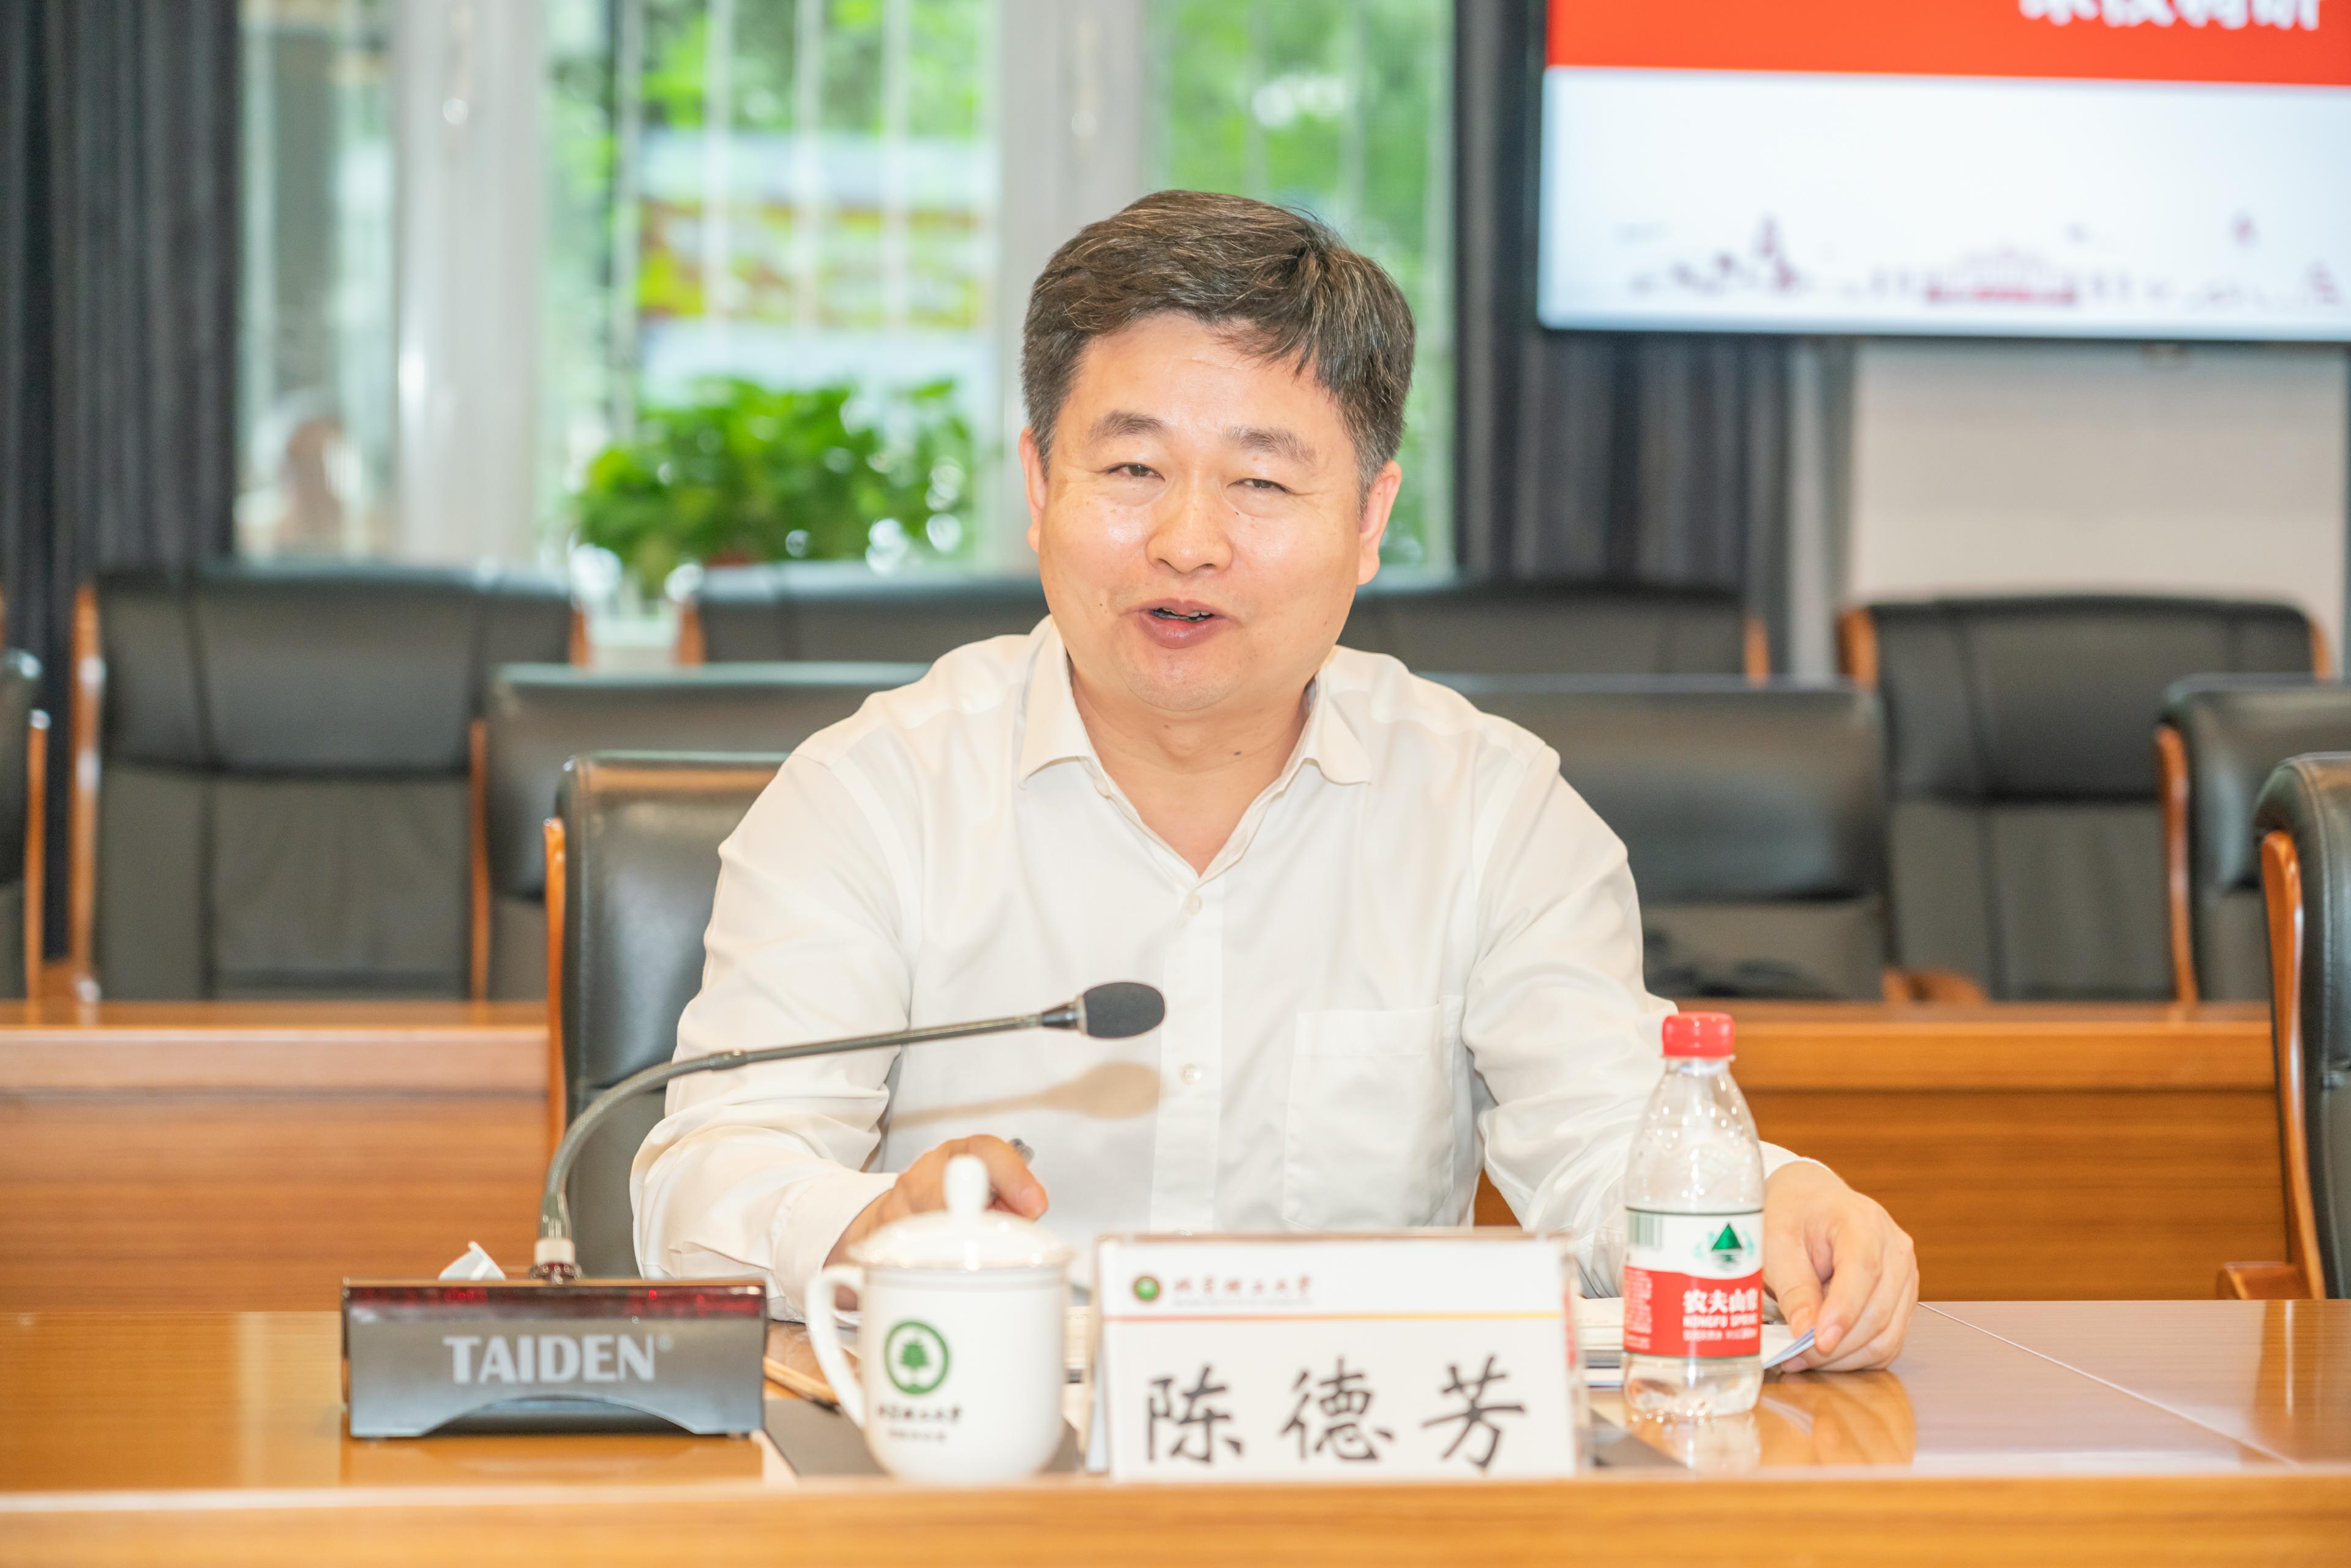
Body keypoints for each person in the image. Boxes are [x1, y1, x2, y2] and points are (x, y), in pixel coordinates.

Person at [632, 190, 1917, 1373]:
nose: (1188, 541)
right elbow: (705, 1177)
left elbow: (1603, 1141)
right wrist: (868, 1226)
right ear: (1038, 484)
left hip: (1353, 1471)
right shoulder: (871, 796)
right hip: (974, 1468)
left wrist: (1770, 1204)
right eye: (1131, 470)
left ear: (1369, 520)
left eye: (1260, 481)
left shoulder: (1489, 810)